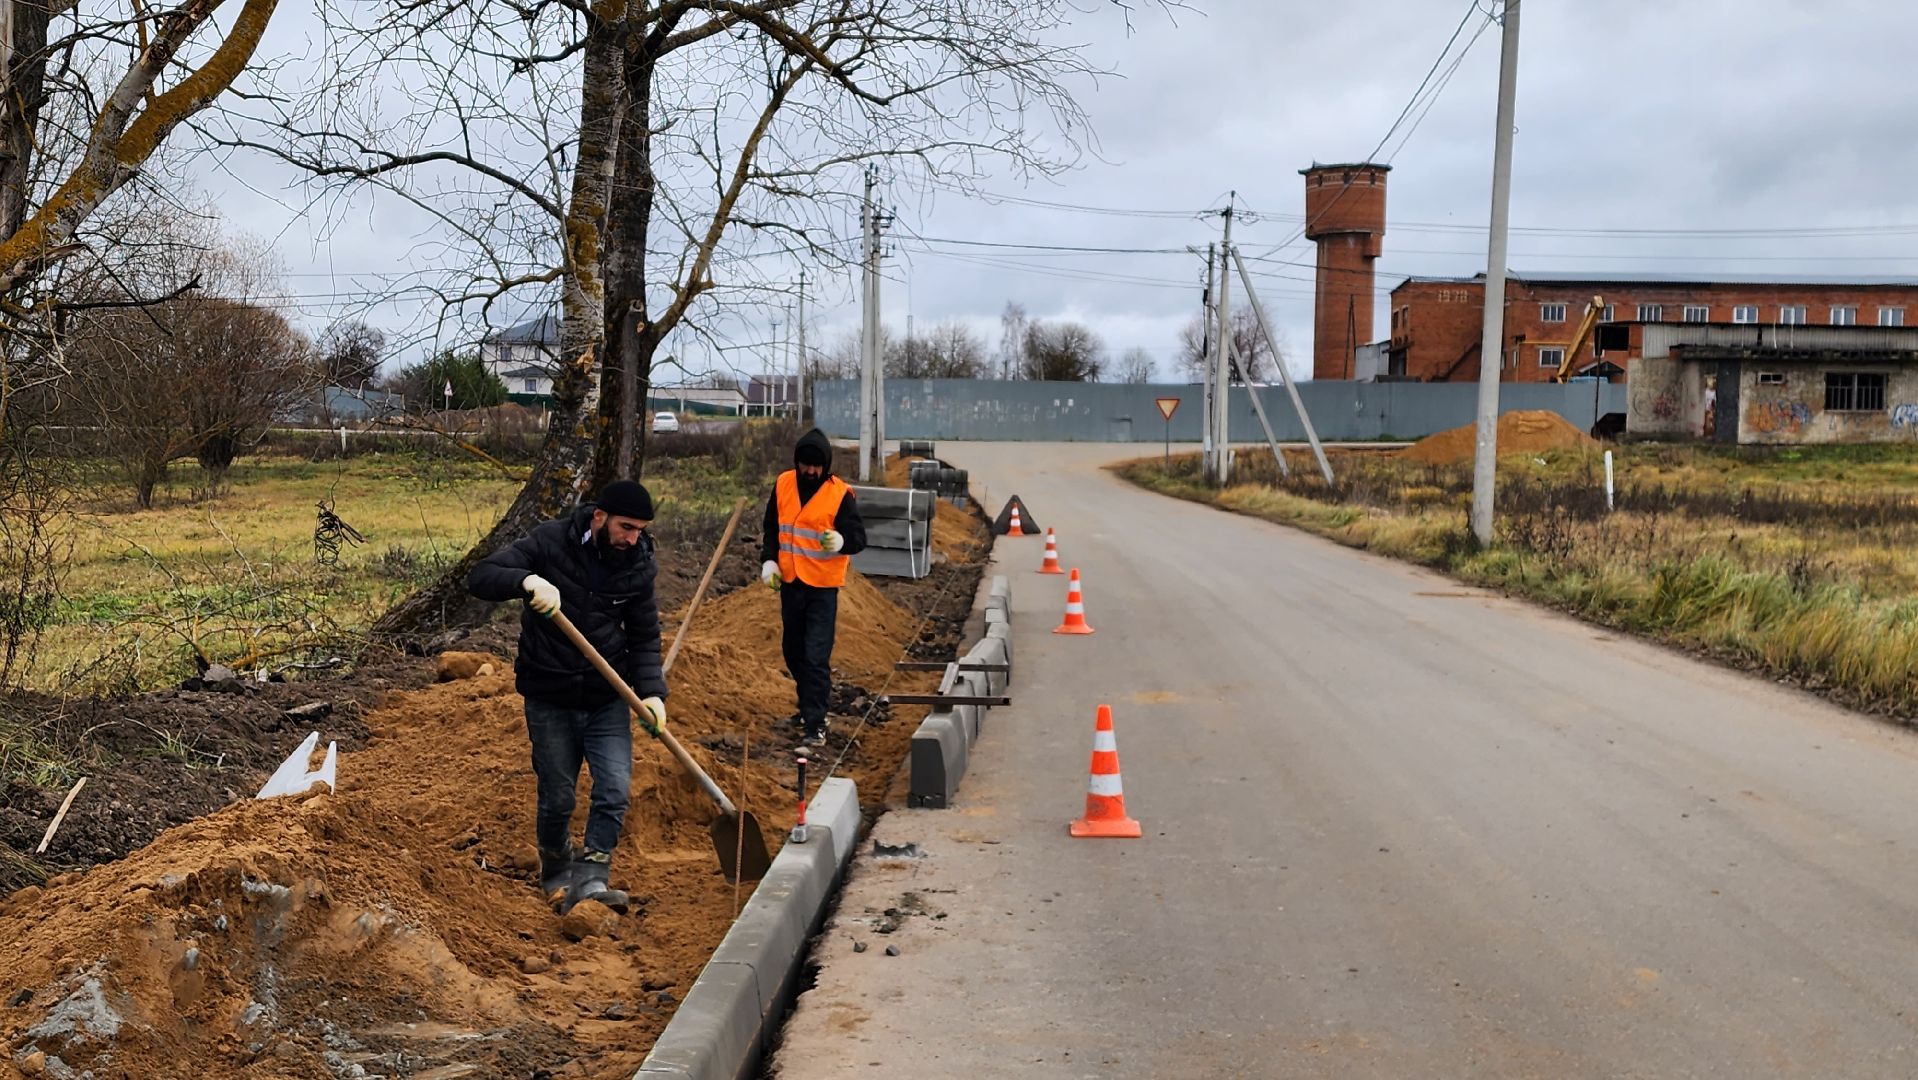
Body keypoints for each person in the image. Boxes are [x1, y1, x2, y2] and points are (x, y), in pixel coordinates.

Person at [467, 479, 667, 915]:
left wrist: (652, 694)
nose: (633, 538)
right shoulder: (550, 541)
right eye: (626, 527)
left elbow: (645, 636)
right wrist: (526, 581)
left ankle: (592, 878)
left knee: (614, 789)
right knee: (558, 796)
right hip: (549, 694)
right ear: (599, 517)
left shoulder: (638, 565)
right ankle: (556, 868)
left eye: (640, 530)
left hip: (606, 696)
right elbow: (480, 577)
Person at [760, 429, 866, 746]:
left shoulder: (840, 495)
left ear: (826, 466)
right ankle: (809, 708)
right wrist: (769, 561)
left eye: (816, 467)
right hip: (791, 584)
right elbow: (771, 528)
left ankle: (815, 723)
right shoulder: (783, 485)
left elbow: (859, 538)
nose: (810, 472)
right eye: (805, 465)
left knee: (815, 657)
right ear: (797, 463)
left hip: (822, 588)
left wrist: (842, 541)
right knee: (793, 653)